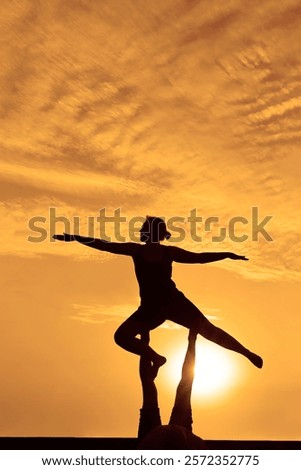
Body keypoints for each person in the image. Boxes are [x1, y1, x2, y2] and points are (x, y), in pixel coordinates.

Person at [53, 216, 263, 377]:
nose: (142, 232)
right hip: (150, 308)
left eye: (145, 229)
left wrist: (225, 254)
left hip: (174, 302)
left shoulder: (167, 252)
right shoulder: (136, 250)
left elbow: (198, 258)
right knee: (121, 337)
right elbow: (104, 244)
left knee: (209, 331)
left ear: (155, 233)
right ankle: (156, 358)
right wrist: (75, 237)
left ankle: (247, 353)